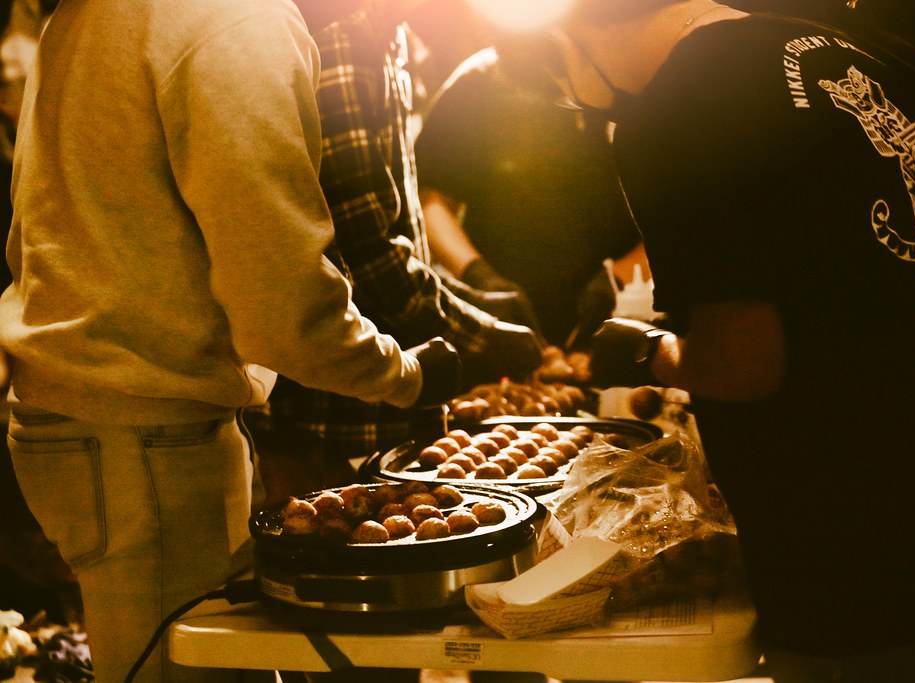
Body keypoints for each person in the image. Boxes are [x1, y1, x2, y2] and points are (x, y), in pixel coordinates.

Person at [471, 0, 915, 681]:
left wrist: (648, 351)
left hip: (859, 560)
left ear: (562, 36)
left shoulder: (674, 110)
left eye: (561, 95)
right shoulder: (857, 48)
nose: (579, 108)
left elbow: (745, 364)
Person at [0, 0, 463, 681]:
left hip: (93, 419)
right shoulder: (231, 20)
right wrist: (410, 375)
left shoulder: (101, 12)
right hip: (144, 431)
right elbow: (281, 299)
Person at [250, 0, 544, 508]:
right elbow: (365, 250)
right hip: (333, 411)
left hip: (374, 402)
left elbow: (391, 231)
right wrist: (481, 336)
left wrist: (477, 300)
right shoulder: (344, 41)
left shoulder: (388, 41)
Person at [416, 43, 648, 349]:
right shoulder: (478, 82)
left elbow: (683, 211)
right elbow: (431, 199)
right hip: (501, 319)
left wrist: (617, 281)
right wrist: (478, 274)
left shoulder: (630, 77)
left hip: (626, 312)